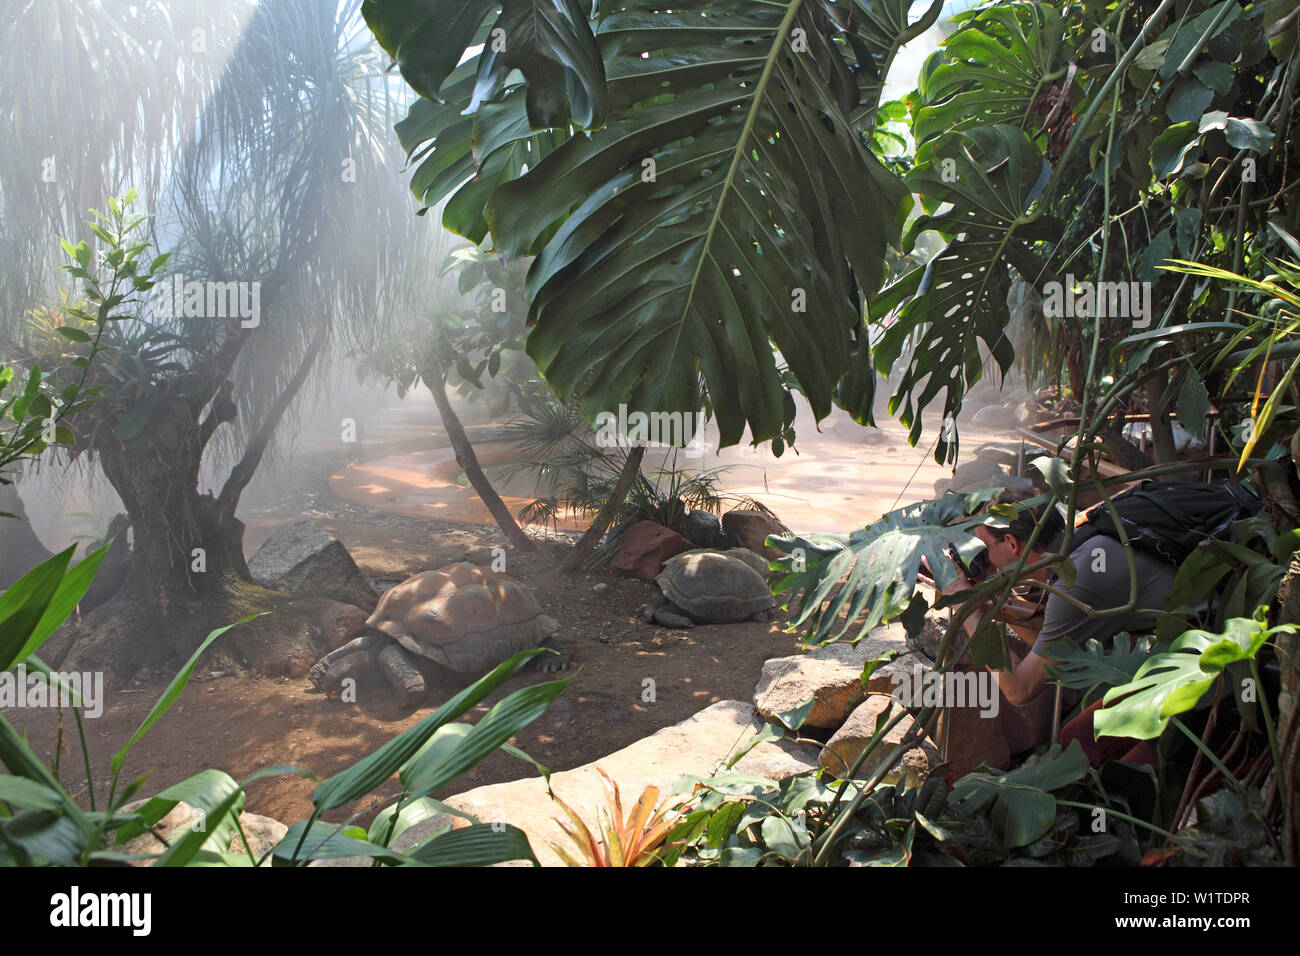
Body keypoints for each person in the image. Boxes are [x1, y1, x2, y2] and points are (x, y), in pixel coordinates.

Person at [939, 494, 1177, 768]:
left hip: (1211, 682)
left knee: (1095, 754)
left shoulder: (1078, 580)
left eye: (984, 547)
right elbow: (1058, 650)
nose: (983, 558)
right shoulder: (1084, 543)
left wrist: (967, 608)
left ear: (1012, 543)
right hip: (1186, 659)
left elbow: (1020, 688)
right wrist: (987, 599)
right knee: (1080, 739)